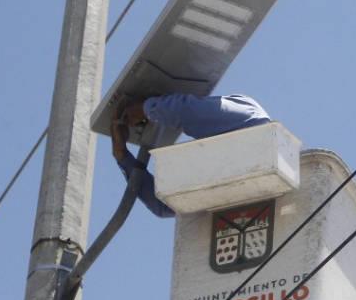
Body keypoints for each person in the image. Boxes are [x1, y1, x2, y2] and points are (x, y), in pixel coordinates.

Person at [111, 93, 270, 217]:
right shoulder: (221, 185)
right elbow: (164, 204)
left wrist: (145, 108)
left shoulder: (252, 119)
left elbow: (188, 111)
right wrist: (122, 155)